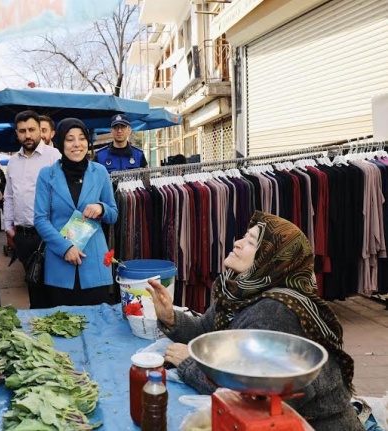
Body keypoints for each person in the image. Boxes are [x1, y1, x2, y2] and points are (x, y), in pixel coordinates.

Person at [146, 211, 362, 431]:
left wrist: (188, 364)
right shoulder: (240, 292)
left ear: (272, 259)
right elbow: (206, 332)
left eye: (250, 242)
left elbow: (253, 398)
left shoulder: (274, 312)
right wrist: (170, 318)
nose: (237, 243)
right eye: (244, 237)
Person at [34, 118, 118, 306]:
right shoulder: (47, 175)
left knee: (98, 325)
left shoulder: (100, 172)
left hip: (94, 265)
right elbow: (40, 219)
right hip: (60, 264)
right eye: (70, 139)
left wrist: (101, 208)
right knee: (63, 326)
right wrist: (65, 248)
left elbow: (113, 213)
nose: (77, 144)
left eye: (81, 138)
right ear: (61, 142)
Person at [4, 110, 61, 309]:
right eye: (22, 131)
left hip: (49, 236)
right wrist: (9, 227)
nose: (27, 135)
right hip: (24, 236)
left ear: (40, 130)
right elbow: (9, 195)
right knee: (33, 287)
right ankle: (39, 332)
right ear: (17, 133)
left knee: (54, 290)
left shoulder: (54, 157)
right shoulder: (12, 162)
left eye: (31, 130)